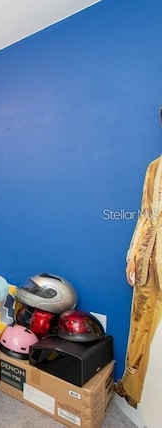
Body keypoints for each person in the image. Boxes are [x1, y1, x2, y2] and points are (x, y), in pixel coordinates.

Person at [118, 108, 162, 408]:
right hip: (149, 256)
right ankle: (134, 391)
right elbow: (145, 215)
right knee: (141, 322)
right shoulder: (154, 168)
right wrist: (132, 256)